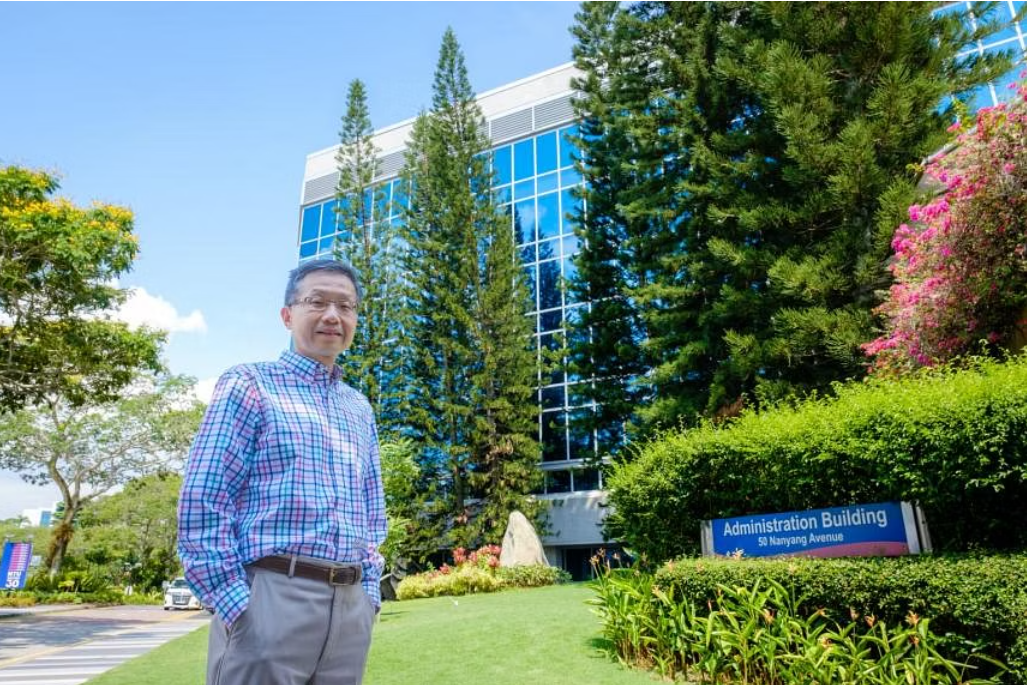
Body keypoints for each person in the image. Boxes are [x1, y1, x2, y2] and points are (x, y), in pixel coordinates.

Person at [178, 258, 386, 685]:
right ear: (288, 315)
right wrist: (235, 600)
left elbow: (372, 508)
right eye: (318, 302)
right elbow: (204, 497)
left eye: (346, 306)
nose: (333, 315)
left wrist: (368, 595)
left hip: (349, 608)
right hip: (271, 596)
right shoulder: (249, 384)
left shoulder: (358, 407)